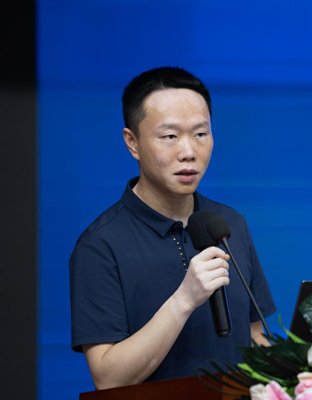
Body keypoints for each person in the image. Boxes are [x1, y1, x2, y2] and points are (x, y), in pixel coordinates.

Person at [69, 66, 276, 390]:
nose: (188, 152)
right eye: (170, 136)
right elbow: (108, 379)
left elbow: (254, 335)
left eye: (200, 134)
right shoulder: (100, 244)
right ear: (132, 142)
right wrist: (184, 299)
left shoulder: (229, 224)